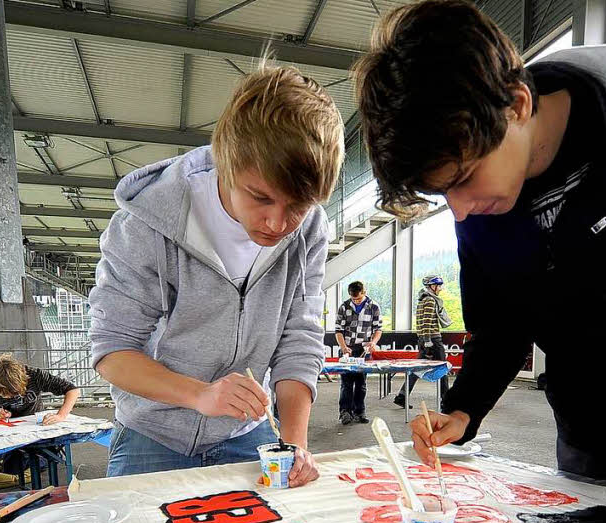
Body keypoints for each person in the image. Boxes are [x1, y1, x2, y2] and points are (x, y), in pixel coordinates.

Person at [353, 0, 606, 502]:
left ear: (518, 104)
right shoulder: (483, 199)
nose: (460, 211)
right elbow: (503, 318)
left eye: (463, 180)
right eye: (443, 194)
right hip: (588, 435)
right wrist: (464, 408)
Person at [89, 61, 344, 485]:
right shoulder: (147, 223)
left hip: (249, 431)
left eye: (298, 205)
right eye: (261, 197)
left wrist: (295, 442)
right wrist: (200, 394)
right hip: (152, 435)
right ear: (226, 161)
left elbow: (299, 336)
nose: (279, 224)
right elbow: (112, 350)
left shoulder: (309, 231)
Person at [0, 352, 79, 425]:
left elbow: (72, 390)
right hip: (9, 425)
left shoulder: (35, 375)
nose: (11, 397)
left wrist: (61, 415)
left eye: (14, 393)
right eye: (4, 394)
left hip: (34, 420)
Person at [394, 274, 450, 410]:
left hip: (424, 339)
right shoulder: (430, 300)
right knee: (443, 369)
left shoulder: (422, 300)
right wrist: (428, 341)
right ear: (432, 286)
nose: (440, 288)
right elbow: (426, 322)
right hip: (433, 340)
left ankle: (401, 396)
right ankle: (447, 401)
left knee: (416, 370)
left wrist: (424, 340)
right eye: (438, 286)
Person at [334, 280, 383, 424]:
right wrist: (343, 347)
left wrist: (373, 343)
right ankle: (345, 412)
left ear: (364, 293)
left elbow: (378, 329)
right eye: (353, 299)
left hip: (364, 349)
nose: (355, 301)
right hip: (347, 349)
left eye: (358, 298)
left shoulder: (374, 307)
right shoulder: (344, 307)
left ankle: (359, 411)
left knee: (361, 383)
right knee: (346, 383)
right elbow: (338, 330)